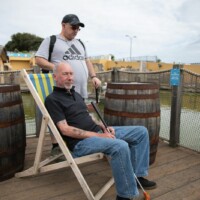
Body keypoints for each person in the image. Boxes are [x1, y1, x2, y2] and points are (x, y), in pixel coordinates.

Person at [45, 62, 156, 200]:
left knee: (141, 132)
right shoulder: (52, 100)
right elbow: (65, 130)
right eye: (65, 74)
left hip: (98, 133)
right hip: (80, 143)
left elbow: (86, 118)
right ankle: (126, 196)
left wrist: (102, 126)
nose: (69, 77)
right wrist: (100, 135)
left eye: (71, 73)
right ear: (55, 77)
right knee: (120, 146)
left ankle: (137, 175)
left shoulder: (76, 95)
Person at [35, 14, 101, 154]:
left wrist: (93, 76)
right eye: (73, 27)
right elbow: (39, 59)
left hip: (78, 90)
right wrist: (58, 69)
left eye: (78, 28)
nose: (76, 30)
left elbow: (87, 61)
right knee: (57, 116)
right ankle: (56, 146)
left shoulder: (80, 43)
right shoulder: (51, 40)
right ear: (63, 25)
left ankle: (83, 143)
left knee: (78, 114)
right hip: (61, 88)